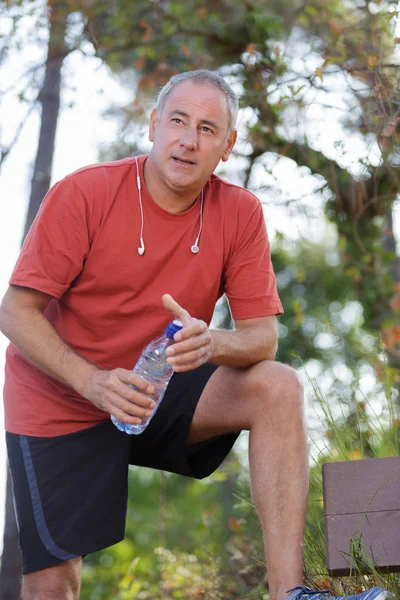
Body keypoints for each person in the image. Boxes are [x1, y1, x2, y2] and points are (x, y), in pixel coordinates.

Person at [0, 70, 388, 600]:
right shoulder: (84, 193)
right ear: (154, 124)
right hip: (62, 397)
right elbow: (15, 312)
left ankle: (291, 593)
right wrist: (91, 383)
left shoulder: (241, 212)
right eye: (178, 121)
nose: (189, 139)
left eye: (208, 129)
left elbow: (261, 339)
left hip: (160, 386)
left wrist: (213, 343)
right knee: (51, 586)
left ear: (227, 147)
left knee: (278, 386)